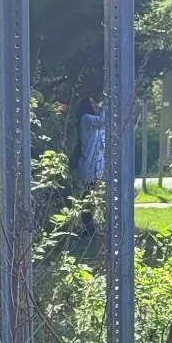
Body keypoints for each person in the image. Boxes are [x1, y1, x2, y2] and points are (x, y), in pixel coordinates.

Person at [73, 94, 106, 237]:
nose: (96, 106)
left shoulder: (94, 122)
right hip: (89, 166)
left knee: (94, 199)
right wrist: (107, 106)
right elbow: (103, 121)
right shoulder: (86, 119)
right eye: (93, 103)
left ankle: (93, 229)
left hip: (98, 167)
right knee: (88, 199)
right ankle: (88, 230)